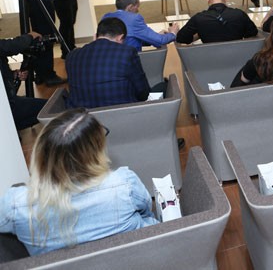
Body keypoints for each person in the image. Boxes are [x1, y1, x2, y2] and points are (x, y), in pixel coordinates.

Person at [0, 108, 158, 255]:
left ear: (40, 152)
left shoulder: (15, 205)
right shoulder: (125, 185)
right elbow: (147, 211)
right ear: (94, 153)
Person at [65, 17, 150, 108]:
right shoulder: (127, 52)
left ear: (95, 36)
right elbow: (143, 92)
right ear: (120, 37)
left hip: (82, 115)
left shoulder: (71, 56)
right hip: (121, 112)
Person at [176, 0, 258, 44]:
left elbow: (181, 38)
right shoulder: (239, 14)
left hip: (210, 60)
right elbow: (253, 33)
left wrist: (199, 34)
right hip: (238, 58)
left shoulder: (198, 18)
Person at [102, 0, 179, 51]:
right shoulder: (134, 19)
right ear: (130, 7)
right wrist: (173, 33)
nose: (138, 10)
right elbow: (160, 41)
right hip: (130, 61)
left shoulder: (106, 17)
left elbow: (129, 39)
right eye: (137, 7)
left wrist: (155, 35)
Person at [1, 32, 47, 130]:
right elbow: (8, 46)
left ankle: (11, 130)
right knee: (53, 107)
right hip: (6, 107)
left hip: (7, 103)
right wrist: (29, 37)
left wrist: (13, 74)